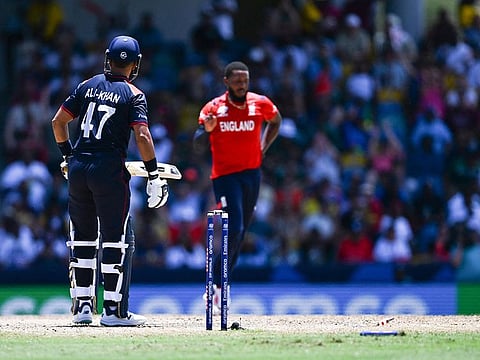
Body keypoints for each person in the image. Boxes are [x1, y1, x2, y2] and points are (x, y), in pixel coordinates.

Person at [51, 35, 169, 326]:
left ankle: (81, 308)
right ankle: (114, 312)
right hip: (109, 170)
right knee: (114, 239)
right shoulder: (134, 94)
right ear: (136, 63)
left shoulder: (86, 85)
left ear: (108, 58)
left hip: (79, 167)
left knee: (82, 237)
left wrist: (68, 156)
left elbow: (58, 122)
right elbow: (142, 135)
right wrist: (153, 174)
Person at [193, 61, 282, 314]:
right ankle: (219, 285)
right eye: (237, 80)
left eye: (245, 80)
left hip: (252, 175)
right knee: (236, 226)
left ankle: (221, 284)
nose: (242, 85)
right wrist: (206, 131)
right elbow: (197, 143)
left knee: (241, 234)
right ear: (226, 82)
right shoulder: (214, 108)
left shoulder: (260, 103)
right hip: (224, 176)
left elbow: (276, 120)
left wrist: (264, 146)